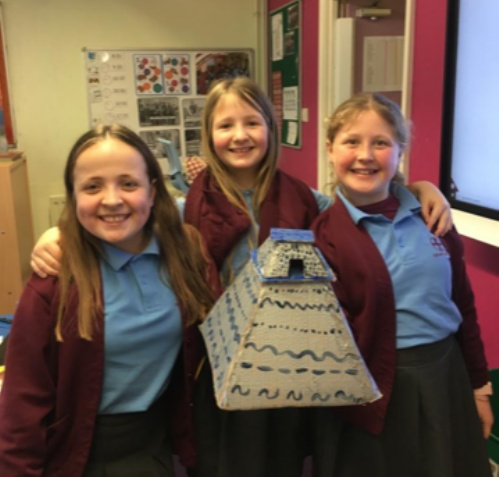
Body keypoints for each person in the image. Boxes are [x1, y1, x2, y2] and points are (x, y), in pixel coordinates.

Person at [29, 78, 453, 477]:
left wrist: (416, 189)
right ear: (209, 134)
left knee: (285, 459)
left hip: (290, 363)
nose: (240, 135)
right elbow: (127, 220)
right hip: (216, 371)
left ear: (270, 128)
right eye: (225, 125)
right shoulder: (186, 211)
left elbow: (360, 200)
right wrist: (58, 233)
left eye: (252, 122)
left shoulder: (306, 199)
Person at [0, 124, 217, 477]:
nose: (112, 199)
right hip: (79, 453)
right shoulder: (55, 279)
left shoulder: (186, 254)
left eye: (128, 184)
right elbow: (21, 405)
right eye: (92, 186)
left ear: (153, 191)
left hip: (158, 444)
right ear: (73, 196)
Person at [310, 93, 493, 477]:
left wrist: (479, 386)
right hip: (377, 390)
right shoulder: (324, 236)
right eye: (351, 141)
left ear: (400, 152)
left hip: (445, 374)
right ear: (330, 149)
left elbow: (463, 303)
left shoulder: (433, 217)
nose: (365, 155)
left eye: (381, 142)